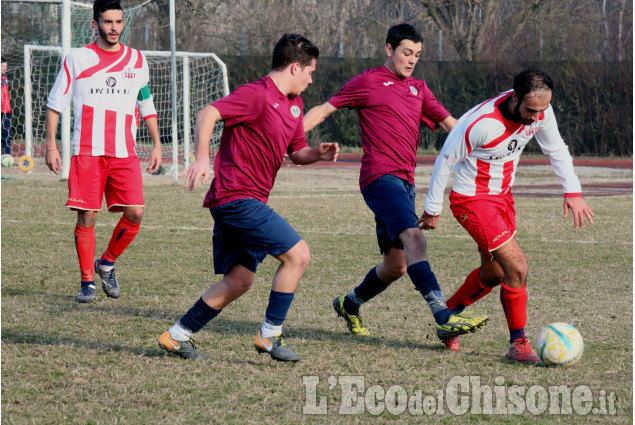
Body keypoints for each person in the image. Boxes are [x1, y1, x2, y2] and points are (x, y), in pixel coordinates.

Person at [303, 23, 488, 349]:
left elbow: (453, 127)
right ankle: (444, 317)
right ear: (389, 49)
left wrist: (488, 148)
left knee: (396, 266)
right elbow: (325, 109)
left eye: (417, 54)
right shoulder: (368, 82)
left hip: (403, 183)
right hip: (379, 177)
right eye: (406, 52)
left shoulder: (419, 88)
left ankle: (349, 305)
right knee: (414, 237)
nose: (411, 59)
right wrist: (287, 137)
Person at [157, 33, 339, 362]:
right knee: (298, 256)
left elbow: (297, 153)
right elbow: (208, 113)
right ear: (295, 67)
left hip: (247, 201)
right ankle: (270, 336)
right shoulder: (256, 94)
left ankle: (176, 336)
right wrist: (201, 158)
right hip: (235, 198)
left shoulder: (295, 106)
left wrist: (318, 153)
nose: (312, 79)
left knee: (240, 280)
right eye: (310, 72)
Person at [419, 68, 595, 362]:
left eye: (542, 110)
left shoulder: (541, 111)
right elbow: (445, 163)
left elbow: (556, 149)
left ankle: (447, 317)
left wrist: (573, 192)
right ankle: (518, 343)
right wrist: (431, 210)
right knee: (517, 266)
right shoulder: (479, 123)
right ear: (515, 98)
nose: (537, 118)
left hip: (502, 198)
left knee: (497, 272)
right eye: (531, 110)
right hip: (471, 201)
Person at [45, 0, 162, 303]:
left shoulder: (137, 59)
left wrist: (158, 144)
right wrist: (51, 145)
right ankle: (87, 283)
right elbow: (56, 101)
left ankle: (106, 263)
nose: (114, 28)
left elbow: (145, 102)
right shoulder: (78, 57)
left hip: (125, 151)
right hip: (87, 151)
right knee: (87, 218)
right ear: (95, 24)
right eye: (108, 22)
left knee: (135, 212)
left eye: (119, 22)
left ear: (124, 23)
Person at [1, 56, 12, 155]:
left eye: (6, 66)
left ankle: (7, 156)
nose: (4, 68)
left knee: (7, 135)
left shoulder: (5, 77)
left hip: (7, 111)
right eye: (2, 66)